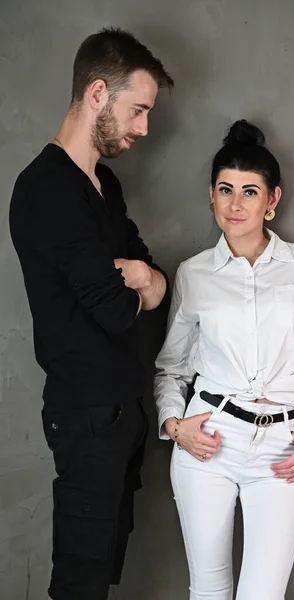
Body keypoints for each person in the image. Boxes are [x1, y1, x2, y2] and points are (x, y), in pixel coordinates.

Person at [9, 27, 173, 600]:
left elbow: (155, 284)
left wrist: (142, 277)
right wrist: (133, 283)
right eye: (138, 110)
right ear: (98, 93)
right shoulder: (46, 190)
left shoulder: (104, 185)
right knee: (78, 584)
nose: (144, 128)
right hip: (85, 418)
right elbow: (116, 310)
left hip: (122, 413)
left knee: (100, 576)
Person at [154, 120, 294, 600]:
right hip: (209, 441)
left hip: (285, 447)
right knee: (209, 591)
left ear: (272, 200)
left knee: (263, 594)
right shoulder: (193, 273)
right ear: (212, 196)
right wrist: (177, 428)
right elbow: (171, 368)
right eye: (225, 190)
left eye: (250, 192)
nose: (236, 204)